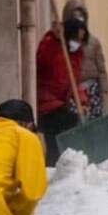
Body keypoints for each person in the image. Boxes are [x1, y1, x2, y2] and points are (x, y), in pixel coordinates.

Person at [35, 19, 86, 165]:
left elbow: (75, 82)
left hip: (60, 102)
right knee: (64, 123)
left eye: (81, 39)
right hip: (46, 100)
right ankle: (54, 164)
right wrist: (55, 36)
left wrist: (82, 101)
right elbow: (42, 59)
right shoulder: (51, 44)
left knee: (69, 122)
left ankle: (59, 162)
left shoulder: (75, 54)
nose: (78, 42)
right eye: (76, 38)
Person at [63, 0, 108, 120]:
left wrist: (104, 90)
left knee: (95, 121)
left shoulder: (93, 42)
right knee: (76, 122)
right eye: (75, 17)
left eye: (81, 16)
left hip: (92, 88)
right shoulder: (62, 43)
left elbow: (101, 69)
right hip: (72, 91)